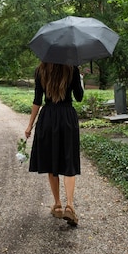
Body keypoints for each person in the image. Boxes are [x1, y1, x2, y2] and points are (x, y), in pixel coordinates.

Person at [24, 62, 84, 226]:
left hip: (48, 118)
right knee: (68, 160)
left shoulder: (41, 70)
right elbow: (79, 97)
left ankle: (57, 205)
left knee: (52, 161)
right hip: (67, 118)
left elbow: (37, 100)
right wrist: (78, 79)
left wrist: (30, 125)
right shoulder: (72, 69)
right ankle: (70, 206)